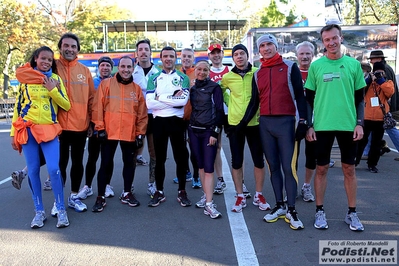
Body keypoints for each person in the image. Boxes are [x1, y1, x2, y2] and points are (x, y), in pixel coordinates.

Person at [243, 34, 307, 230]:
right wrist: (241, 124)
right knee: (273, 167)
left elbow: (299, 95)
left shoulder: (289, 66)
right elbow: (254, 102)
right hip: (266, 124)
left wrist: (303, 121)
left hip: (287, 122)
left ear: (275, 46)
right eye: (262, 45)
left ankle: (292, 209)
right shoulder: (257, 72)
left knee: (289, 168)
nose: (266, 48)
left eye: (269, 44)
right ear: (259, 50)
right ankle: (279, 205)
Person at [305, 24, 366, 231]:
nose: (331, 42)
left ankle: (352, 213)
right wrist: (309, 125)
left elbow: (360, 99)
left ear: (341, 38)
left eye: (334, 38)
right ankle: (320, 211)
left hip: (348, 126)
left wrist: (360, 123)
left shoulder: (353, 65)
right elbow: (308, 100)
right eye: (327, 40)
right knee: (321, 169)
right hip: (322, 126)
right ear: (323, 42)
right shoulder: (316, 66)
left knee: (349, 169)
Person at [10, 46, 70, 228]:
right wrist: (13, 133)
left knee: (53, 169)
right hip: (27, 130)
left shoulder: (56, 79)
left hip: (49, 129)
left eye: (50, 60)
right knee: (34, 170)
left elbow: (66, 105)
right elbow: (17, 108)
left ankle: (61, 210)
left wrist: (53, 90)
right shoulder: (25, 81)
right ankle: (39, 212)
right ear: (35, 59)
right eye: (43, 58)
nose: (46, 62)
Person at [91, 56, 148, 212]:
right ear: (118, 67)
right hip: (109, 132)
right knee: (105, 164)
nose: (126, 70)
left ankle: (127, 192)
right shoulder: (106, 84)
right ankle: (100, 196)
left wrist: (140, 134)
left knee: (129, 164)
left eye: (129, 67)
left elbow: (142, 115)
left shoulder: (136, 89)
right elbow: (97, 107)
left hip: (129, 133)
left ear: (133, 67)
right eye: (123, 66)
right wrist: (100, 128)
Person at [220, 44, 269, 213]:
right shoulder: (227, 77)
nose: (239, 56)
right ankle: (240, 195)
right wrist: (229, 103)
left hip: (255, 123)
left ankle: (259, 194)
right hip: (235, 124)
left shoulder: (257, 72)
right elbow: (221, 92)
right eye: (236, 54)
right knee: (236, 160)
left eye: (242, 53)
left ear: (247, 55)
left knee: (258, 160)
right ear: (232, 58)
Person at [146, 46, 192, 207]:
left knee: (181, 158)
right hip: (159, 122)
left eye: (171, 56)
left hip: (177, 122)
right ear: (161, 58)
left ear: (175, 58)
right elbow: (150, 103)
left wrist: (161, 98)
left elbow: (182, 102)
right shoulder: (154, 78)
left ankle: (182, 191)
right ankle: (159, 191)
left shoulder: (182, 78)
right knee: (159, 159)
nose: (168, 59)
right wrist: (171, 99)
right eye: (165, 56)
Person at [56, 33, 95, 213]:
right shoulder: (52, 67)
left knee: (77, 163)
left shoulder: (85, 71)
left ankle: (73, 197)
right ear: (60, 47)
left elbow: (91, 99)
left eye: (73, 46)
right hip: (58, 127)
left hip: (80, 125)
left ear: (78, 49)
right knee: (60, 165)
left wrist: (92, 122)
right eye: (66, 45)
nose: (69, 49)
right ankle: (58, 201)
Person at [208, 43, 251, 197]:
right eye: (213, 53)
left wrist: (228, 102)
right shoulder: (208, 72)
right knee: (216, 147)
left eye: (218, 52)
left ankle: (242, 182)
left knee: (238, 150)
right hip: (216, 116)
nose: (216, 55)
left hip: (233, 115)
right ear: (209, 56)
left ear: (223, 54)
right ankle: (220, 179)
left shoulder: (230, 70)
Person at [188, 60, 224, 218]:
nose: (201, 72)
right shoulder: (193, 89)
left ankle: (209, 205)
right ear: (195, 71)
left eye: (205, 70)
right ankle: (205, 195)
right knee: (201, 167)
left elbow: (220, 111)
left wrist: (215, 133)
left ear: (209, 71)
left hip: (208, 132)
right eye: (199, 69)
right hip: (193, 131)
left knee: (209, 169)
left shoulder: (214, 88)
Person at [77, 56, 115, 200]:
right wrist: (89, 125)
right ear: (99, 67)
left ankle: (106, 185)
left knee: (108, 158)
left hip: (111, 127)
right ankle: (87, 186)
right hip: (94, 126)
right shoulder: (91, 83)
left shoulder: (115, 83)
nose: (105, 68)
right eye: (102, 65)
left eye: (108, 65)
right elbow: (87, 104)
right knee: (92, 157)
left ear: (111, 68)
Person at [132, 39, 161, 197]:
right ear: (137, 53)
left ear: (150, 52)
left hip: (153, 116)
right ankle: (128, 185)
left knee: (154, 152)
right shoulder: (130, 71)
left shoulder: (158, 73)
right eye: (140, 49)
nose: (143, 52)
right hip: (135, 118)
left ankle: (152, 183)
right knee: (133, 152)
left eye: (146, 49)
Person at [355, 62, 394, 172]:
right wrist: (369, 79)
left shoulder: (387, 83)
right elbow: (359, 89)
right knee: (361, 141)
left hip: (380, 118)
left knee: (376, 143)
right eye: (377, 72)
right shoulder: (368, 82)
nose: (378, 74)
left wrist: (380, 80)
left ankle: (372, 164)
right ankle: (355, 161)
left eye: (381, 73)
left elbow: (390, 92)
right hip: (366, 117)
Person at [367, 50, 399, 160]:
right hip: (382, 106)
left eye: (372, 59)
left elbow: (388, 89)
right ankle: (369, 151)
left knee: (390, 128)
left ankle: (369, 151)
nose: (371, 61)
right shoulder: (385, 68)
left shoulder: (384, 70)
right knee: (379, 129)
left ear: (379, 59)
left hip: (385, 106)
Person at [178, 47, 200, 188]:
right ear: (181, 58)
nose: (186, 58)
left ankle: (196, 176)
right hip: (178, 117)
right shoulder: (175, 74)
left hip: (194, 117)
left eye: (189, 56)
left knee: (194, 147)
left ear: (193, 59)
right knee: (180, 148)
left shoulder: (197, 74)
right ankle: (185, 172)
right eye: (184, 56)